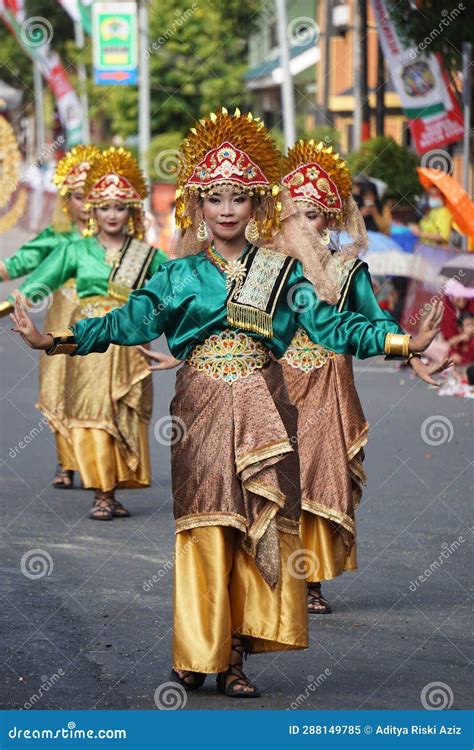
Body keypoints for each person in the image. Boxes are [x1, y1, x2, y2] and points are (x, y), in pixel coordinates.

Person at [10, 110, 443, 696]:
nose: (226, 209)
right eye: (214, 198)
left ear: (257, 205)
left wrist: (402, 342)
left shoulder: (281, 271)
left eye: (239, 198)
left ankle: (235, 657)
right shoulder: (177, 274)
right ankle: (196, 648)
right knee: (207, 525)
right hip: (202, 412)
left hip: (267, 407)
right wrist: (52, 339)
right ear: (197, 206)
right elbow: (126, 321)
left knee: (256, 527)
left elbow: (332, 326)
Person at [276, 139, 450, 613]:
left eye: (312, 214)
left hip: (329, 385)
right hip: (275, 384)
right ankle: (271, 573)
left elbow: (374, 319)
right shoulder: (271, 269)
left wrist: (410, 354)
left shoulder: (348, 270)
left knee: (321, 477)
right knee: (276, 474)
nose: (303, 224)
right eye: (294, 213)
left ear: (331, 218)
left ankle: (311, 580)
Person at [8, 147, 168, 520]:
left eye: (119, 206)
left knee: (125, 415)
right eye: (104, 206)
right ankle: (102, 492)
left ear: (131, 211)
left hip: (132, 347)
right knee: (92, 414)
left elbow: (176, 297)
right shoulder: (75, 251)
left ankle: (114, 483)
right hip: (91, 343)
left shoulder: (148, 255)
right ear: (92, 211)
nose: (111, 214)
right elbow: (33, 286)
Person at [0, 145, 100, 488]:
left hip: (103, 325)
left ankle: (100, 467)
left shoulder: (117, 240)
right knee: (58, 388)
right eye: (77, 196)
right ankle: (66, 462)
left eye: (93, 195)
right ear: (66, 201)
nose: (86, 205)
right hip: (62, 319)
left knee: (98, 393)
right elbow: (15, 265)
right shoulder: (58, 237)